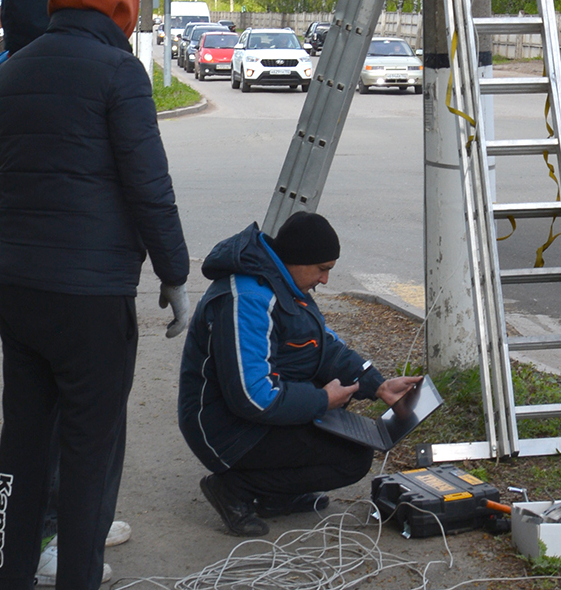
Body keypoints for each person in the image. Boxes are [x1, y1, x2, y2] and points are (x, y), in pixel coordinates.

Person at [0, 0, 191, 590]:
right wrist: (175, 274)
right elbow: (148, 184)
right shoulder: (118, 75)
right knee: (90, 454)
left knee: (24, 442)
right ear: (121, 15)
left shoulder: (10, 72)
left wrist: (13, 265)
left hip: (20, 290)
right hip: (90, 297)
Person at [0, 0, 130, 588]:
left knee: (54, 415)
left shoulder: (14, 69)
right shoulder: (25, 73)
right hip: (38, 269)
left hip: (19, 263)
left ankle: (74, 519)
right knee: (52, 420)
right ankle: (50, 541)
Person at [178, 211, 420, 538]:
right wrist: (322, 400)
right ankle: (233, 487)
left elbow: (324, 346)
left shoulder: (282, 281)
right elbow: (251, 397)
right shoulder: (248, 298)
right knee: (351, 459)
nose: (325, 280)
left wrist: (377, 385)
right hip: (221, 428)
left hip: (248, 415)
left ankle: (274, 495)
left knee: (351, 444)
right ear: (298, 259)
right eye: (323, 270)